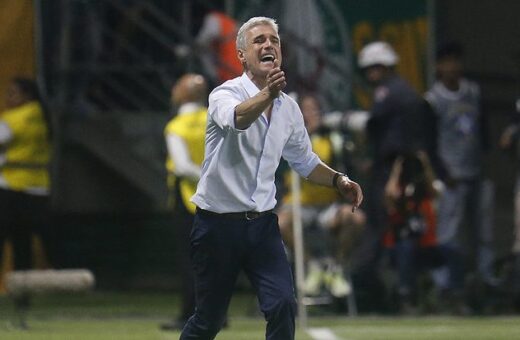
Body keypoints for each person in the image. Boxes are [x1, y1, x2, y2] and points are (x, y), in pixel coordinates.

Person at [180, 17, 363, 340]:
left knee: (282, 305)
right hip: (217, 225)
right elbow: (238, 119)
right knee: (209, 320)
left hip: (262, 225)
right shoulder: (224, 94)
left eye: (274, 40)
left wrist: (339, 180)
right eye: (259, 40)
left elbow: (304, 161)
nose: (268, 45)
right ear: (241, 55)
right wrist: (267, 94)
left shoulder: (289, 108)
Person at [352, 41, 433, 311]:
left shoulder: (389, 92)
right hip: (405, 171)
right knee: (403, 231)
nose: (370, 74)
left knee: (384, 229)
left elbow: (383, 133)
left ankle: (375, 289)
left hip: (394, 172)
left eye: (374, 68)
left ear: (384, 67)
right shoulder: (408, 92)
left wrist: (391, 176)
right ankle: (403, 291)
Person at [425, 42, 496, 312]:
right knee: (448, 235)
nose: (453, 66)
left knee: (483, 234)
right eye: (447, 61)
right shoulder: (433, 99)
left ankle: (485, 283)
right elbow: (429, 143)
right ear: (439, 67)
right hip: (451, 176)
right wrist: (442, 174)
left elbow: (483, 130)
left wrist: (485, 161)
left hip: (476, 172)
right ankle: (446, 287)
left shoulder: (473, 92)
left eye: (457, 60)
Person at [276, 93, 365, 298]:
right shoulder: (286, 136)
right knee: (280, 223)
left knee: (356, 218)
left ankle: (336, 266)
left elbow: (349, 164)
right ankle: (311, 266)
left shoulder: (332, 139)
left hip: (327, 206)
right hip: (297, 204)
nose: (312, 114)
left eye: (315, 109)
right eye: (307, 110)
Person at [159, 74, 208, 331]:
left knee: (190, 259)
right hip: (216, 197)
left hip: (187, 198)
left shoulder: (176, 126)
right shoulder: (214, 119)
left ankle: (190, 313)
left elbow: (181, 166)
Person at [0, 77, 52, 280]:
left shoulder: (15, 118)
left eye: (13, 93)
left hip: (10, 186)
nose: (8, 98)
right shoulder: (42, 116)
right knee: (23, 242)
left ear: (27, 96)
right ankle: (23, 293)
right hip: (37, 187)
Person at [382, 151, 442, 313]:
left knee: (451, 249)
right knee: (406, 248)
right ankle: (405, 296)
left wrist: (425, 164)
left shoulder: (424, 192)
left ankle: (447, 297)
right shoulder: (400, 192)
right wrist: (397, 169)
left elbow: (435, 190)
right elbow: (389, 195)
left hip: (425, 245)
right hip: (400, 247)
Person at [194, 7, 243, 85]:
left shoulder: (214, 19)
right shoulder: (231, 24)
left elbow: (203, 41)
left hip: (231, 73)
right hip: (236, 74)